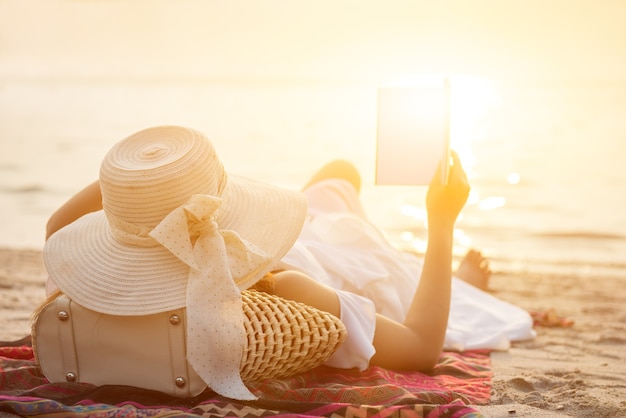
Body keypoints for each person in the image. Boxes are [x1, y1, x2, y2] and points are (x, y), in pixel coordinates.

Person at [42, 125, 534, 399]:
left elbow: (56, 227)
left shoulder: (88, 281)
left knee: (338, 176)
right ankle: (458, 281)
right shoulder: (287, 294)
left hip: (260, 241)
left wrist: (144, 181)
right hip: (321, 254)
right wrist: (442, 219)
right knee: (346, 183)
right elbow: (422, 347)